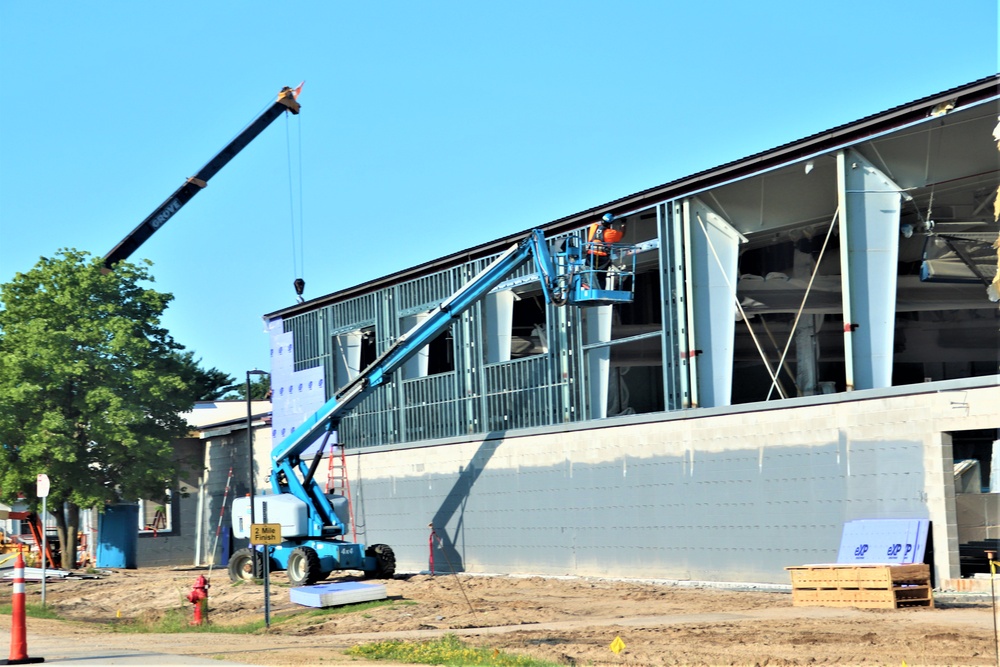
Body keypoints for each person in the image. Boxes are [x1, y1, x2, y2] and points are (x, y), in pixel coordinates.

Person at [585, 213, 625, 288]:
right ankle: (600, 292)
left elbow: (597, 224)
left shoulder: (593, 227)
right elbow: (621, 235)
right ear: (610, 224)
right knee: (601, 277)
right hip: (602, 259)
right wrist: (623, 225)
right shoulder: (611, 233)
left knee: (588, 275)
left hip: (591, 256)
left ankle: (588, 289)